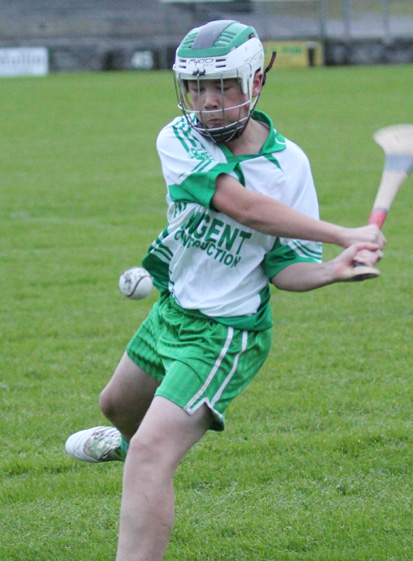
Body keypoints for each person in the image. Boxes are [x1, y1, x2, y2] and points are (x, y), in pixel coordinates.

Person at [65, 19, 385, 561]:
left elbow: (284, 268)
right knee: (117, 406)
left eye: (223, 86)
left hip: (225, 334)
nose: (208, 102)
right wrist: (341, 232)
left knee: (149, 453)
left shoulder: (290, 166)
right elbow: (235, 202)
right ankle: (129, 443)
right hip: (172, 312)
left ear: (257, 81)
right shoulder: (179, 135)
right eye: (196, 87)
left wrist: (335, 269)